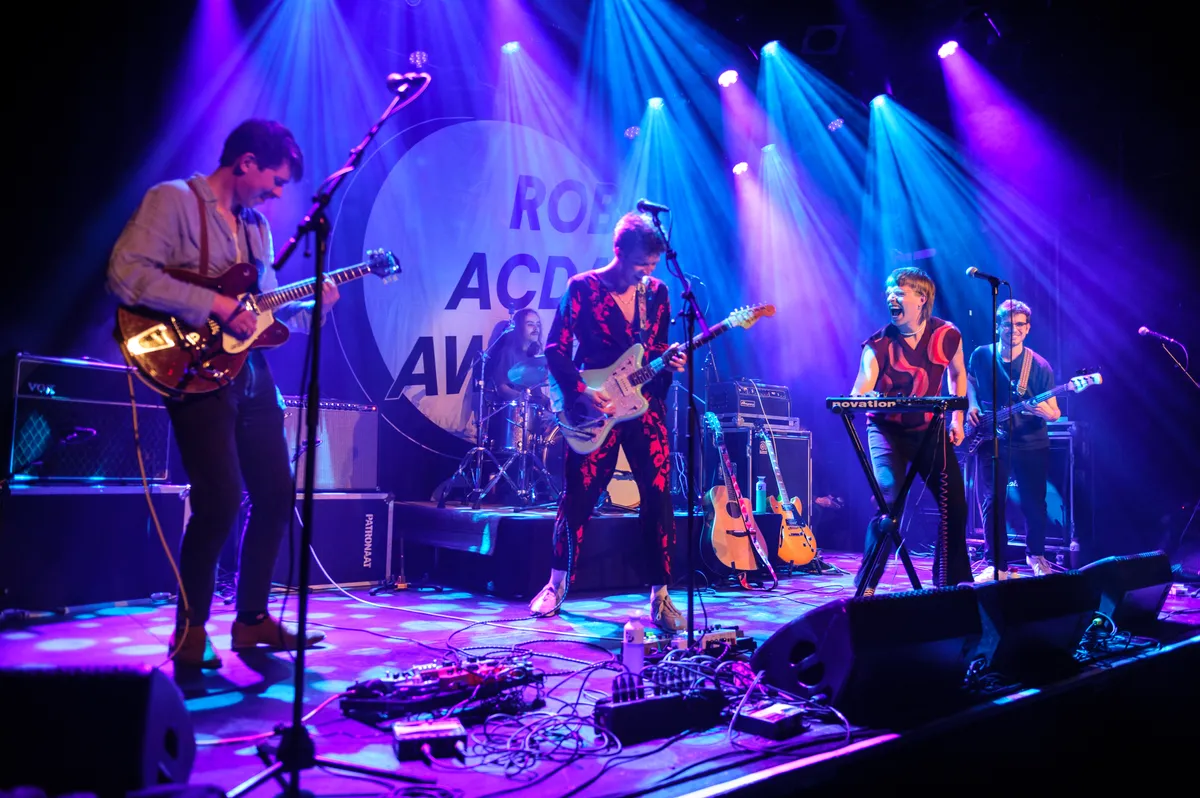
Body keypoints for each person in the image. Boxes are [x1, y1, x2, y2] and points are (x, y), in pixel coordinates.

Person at [108, 119, 338, 668]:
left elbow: (259, 310)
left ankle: (252, 620)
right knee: (219, 500)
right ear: (246, 163)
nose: (277, 194)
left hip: (249, 370)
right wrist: (213, 304)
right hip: (190, 366)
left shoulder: (256, 227)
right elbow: (126, 274)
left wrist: (312, 308)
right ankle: (189, 629)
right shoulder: (172, 201)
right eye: (275, 180)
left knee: (276, 495)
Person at [529, 211, 687, 632]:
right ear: (618, 251)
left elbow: (654, 351)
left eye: (651, 266)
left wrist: (669, 361)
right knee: (579, 497)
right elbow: (555, 348)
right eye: (638, 265)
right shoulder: (582, 287)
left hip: (643, 407)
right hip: (593, 407)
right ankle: (556, 584)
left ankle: (660, 595)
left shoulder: (658, 292)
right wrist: (581, 392)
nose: (644, 274)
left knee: (658, 496)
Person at [849, 266, 972, 592]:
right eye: (889, 291)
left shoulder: (947, 335)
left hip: (928, 430)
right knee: (889, 500)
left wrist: (957, 419)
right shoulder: (877, 345)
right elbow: (859, 390)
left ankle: (951, 585)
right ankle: (867, 585)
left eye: (900, 292)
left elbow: (958, 374)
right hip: (886, 431)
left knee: (955, 504)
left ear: (921, 299)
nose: (891, 297)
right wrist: (863, 396)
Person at [967, 299, 1061, 579]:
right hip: (991, 438)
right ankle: (996, 564)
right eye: (1008, 324)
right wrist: (972, 405)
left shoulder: (1039, 365)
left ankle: (1036, 556)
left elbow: (1055, 411)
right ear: (998, 326)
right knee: (991, 501)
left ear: (1028, 328)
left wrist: (1047, 413)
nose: (1014, 329)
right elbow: (970, 381)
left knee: (1034, 502)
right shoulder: (981, 355)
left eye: (1020, 324)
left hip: (1031, 441)